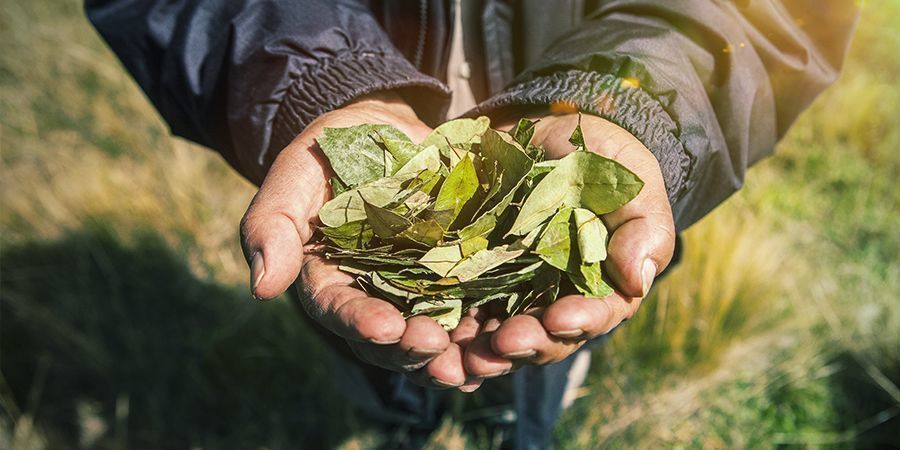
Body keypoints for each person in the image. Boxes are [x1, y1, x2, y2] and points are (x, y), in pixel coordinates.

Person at [86, 1, 858, 448]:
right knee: (379, 353)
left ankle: (517, 425)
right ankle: (403, 423)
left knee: (539, 352)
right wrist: (319, 79)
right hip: (377, 133)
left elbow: (774, 15)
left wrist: (635, 98)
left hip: (557, 132)